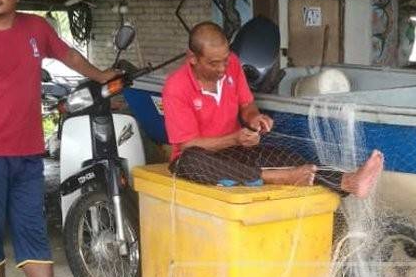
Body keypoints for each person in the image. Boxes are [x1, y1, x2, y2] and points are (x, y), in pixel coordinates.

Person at [0, 0, 118, 277]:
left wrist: (102, 75)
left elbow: (68, 55)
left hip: (26, 153)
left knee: (32, 229)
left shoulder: (35, 27)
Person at [162, 21, 383, 195]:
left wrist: (255, 118)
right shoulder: (176, 87)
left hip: (234, 152)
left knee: (288, 158)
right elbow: (188, 144)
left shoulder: (233, 64)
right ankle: (279, 177)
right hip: (200, 159)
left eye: (225, 60)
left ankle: (348, 182)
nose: (222, 69)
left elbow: (246, 104)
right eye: (213, 63)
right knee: (191, 160)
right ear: (192, 58)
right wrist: (235, 138)